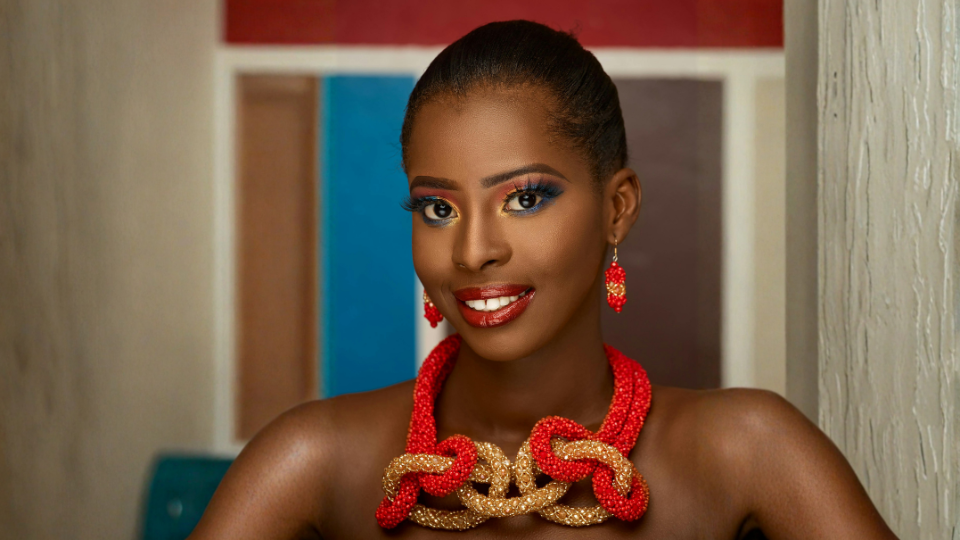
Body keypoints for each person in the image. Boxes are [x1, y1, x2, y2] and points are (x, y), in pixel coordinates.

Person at [189, 20, 898, 539]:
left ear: (618, 208)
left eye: (525, 198)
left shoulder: (749, 451)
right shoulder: (312, 461)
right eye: (438, 207)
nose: (472, 250)